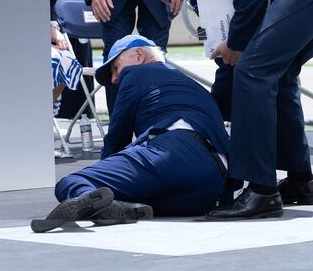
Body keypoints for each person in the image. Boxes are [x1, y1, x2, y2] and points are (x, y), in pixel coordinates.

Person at [116, 0, 313, 220]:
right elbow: (229, 54)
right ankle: (301, 180)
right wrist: (214, 109)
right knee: (279, 75)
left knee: (254, 73)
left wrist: (237, 47)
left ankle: (262, 191)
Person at [32, 35, 229, 233]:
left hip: (172, 150)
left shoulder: (137, 73)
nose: (114, 78)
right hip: (213, 183)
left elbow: (117, 137)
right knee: (140, 196)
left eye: (116, 68)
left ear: (138, 54)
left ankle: (97, 201)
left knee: (72, 183)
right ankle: (119, 208)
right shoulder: (196, 87)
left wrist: (105, 171)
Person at [31, 0, 95, 119]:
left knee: (68, 58)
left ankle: (43, 109)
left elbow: (49, 3)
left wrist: (53, 29)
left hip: (39, 28)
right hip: (16, 33)